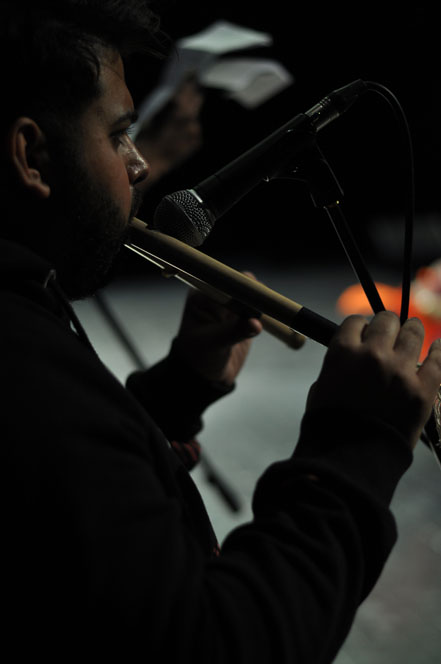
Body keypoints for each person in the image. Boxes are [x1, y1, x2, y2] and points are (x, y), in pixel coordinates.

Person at [1, 1, 441, 660]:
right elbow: (225, 642)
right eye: (120, 133)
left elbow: (76, 509)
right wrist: (356, 445)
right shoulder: (24, 367)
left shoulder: (28, 309)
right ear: (32, 156)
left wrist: (183, 386)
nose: (140, 163)